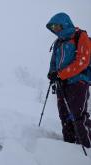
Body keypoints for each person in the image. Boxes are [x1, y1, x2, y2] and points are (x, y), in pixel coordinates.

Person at [46, 12, 91, 148]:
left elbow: (83, 61)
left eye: (56, 26)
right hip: (62, 84)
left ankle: (86, 148)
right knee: (65, 117)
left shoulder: (80, 36)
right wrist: (52, 73)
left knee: (77, 116)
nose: (55, 29)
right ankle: (69, 149)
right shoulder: (58, 42)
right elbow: (54, 62)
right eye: (53, 27)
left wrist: (61, 74)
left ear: (64, 23)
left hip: (78, 82)